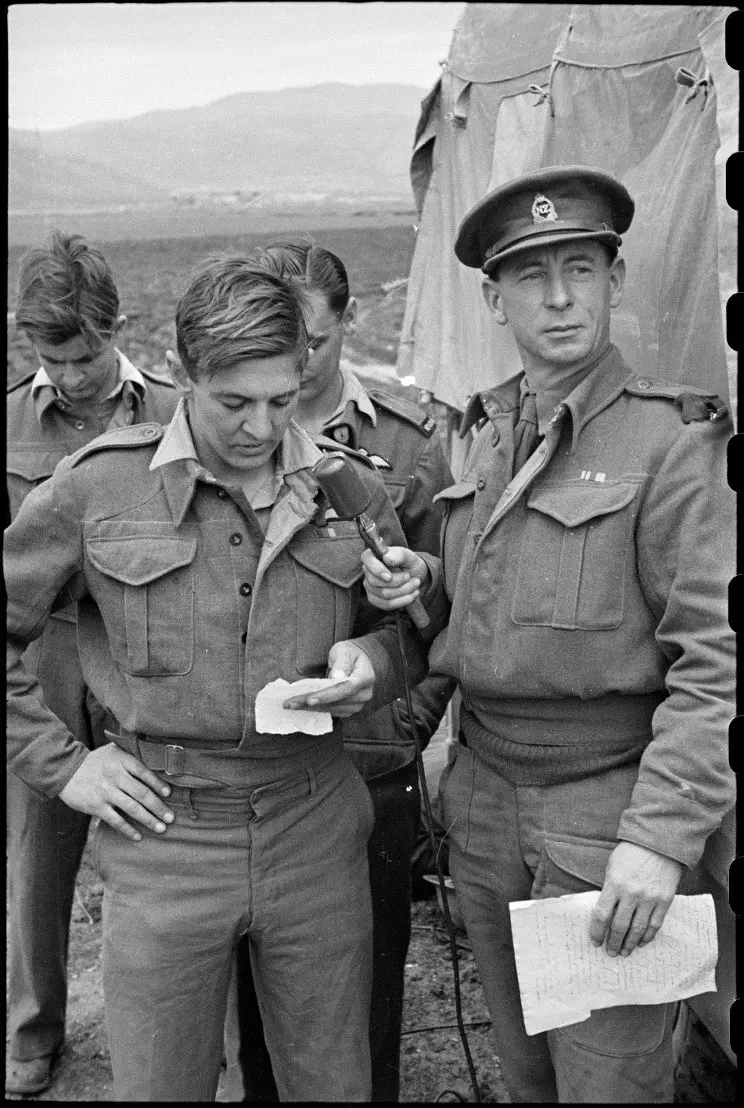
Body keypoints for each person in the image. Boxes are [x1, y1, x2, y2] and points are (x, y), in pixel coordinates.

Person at [5, 254, 431, 1102]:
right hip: (166, 833)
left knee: (332, 1081)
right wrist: (65, 765)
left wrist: (373, 661)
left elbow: (410, 634)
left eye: (280, 400)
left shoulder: (345, 485)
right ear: (186, 374)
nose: (260, 428)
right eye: (234, 402)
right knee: (162, 1083)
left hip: (314, 823)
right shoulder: (100, 487)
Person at [361, 166, 735, 1103]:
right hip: (483, 801)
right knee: (526, 1070)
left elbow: (718, 660)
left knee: (609, 1080)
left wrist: (658, 839)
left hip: (602, 811)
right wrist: (425, 586)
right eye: (532, 276)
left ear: (615, 279)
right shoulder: (483, 432)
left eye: (581, 267)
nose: (560, 296)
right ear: (494, 298)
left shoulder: (673, 440)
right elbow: (502, 600)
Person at [223, 241, 454, 1102]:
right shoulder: (227, 436)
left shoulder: (409, 443)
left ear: (343, 327)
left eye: (311, 342)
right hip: (259, 774)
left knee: (366, 1008)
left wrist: (402, 728)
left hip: (370, 766)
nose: (295, 360)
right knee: (257, 1011)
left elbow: (440, 614)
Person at [5, 231, 178, 1098]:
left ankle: (179, 1034)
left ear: (119, 326)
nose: (69, 375)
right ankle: (33, 1030)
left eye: (83, 354)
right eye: (49, 356)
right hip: (38, 662)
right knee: (36, 858)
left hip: (142, 661)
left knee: (167, 848)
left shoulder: (175, 413)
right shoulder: (6, 418)